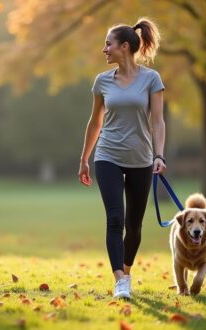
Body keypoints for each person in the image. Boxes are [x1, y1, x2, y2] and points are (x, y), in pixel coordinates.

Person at [78, 18, 167, 299]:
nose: (104, 49)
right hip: (108, 157)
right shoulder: (102, 81)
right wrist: (84, 159)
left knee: (134, 225)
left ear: (124, 47)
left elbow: (158, 121)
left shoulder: (152, 79)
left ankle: (126, 272)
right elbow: (95, 123)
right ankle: (119, 280)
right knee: (114, 219)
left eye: (108, 44)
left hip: (141, 158)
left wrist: (159, 155)